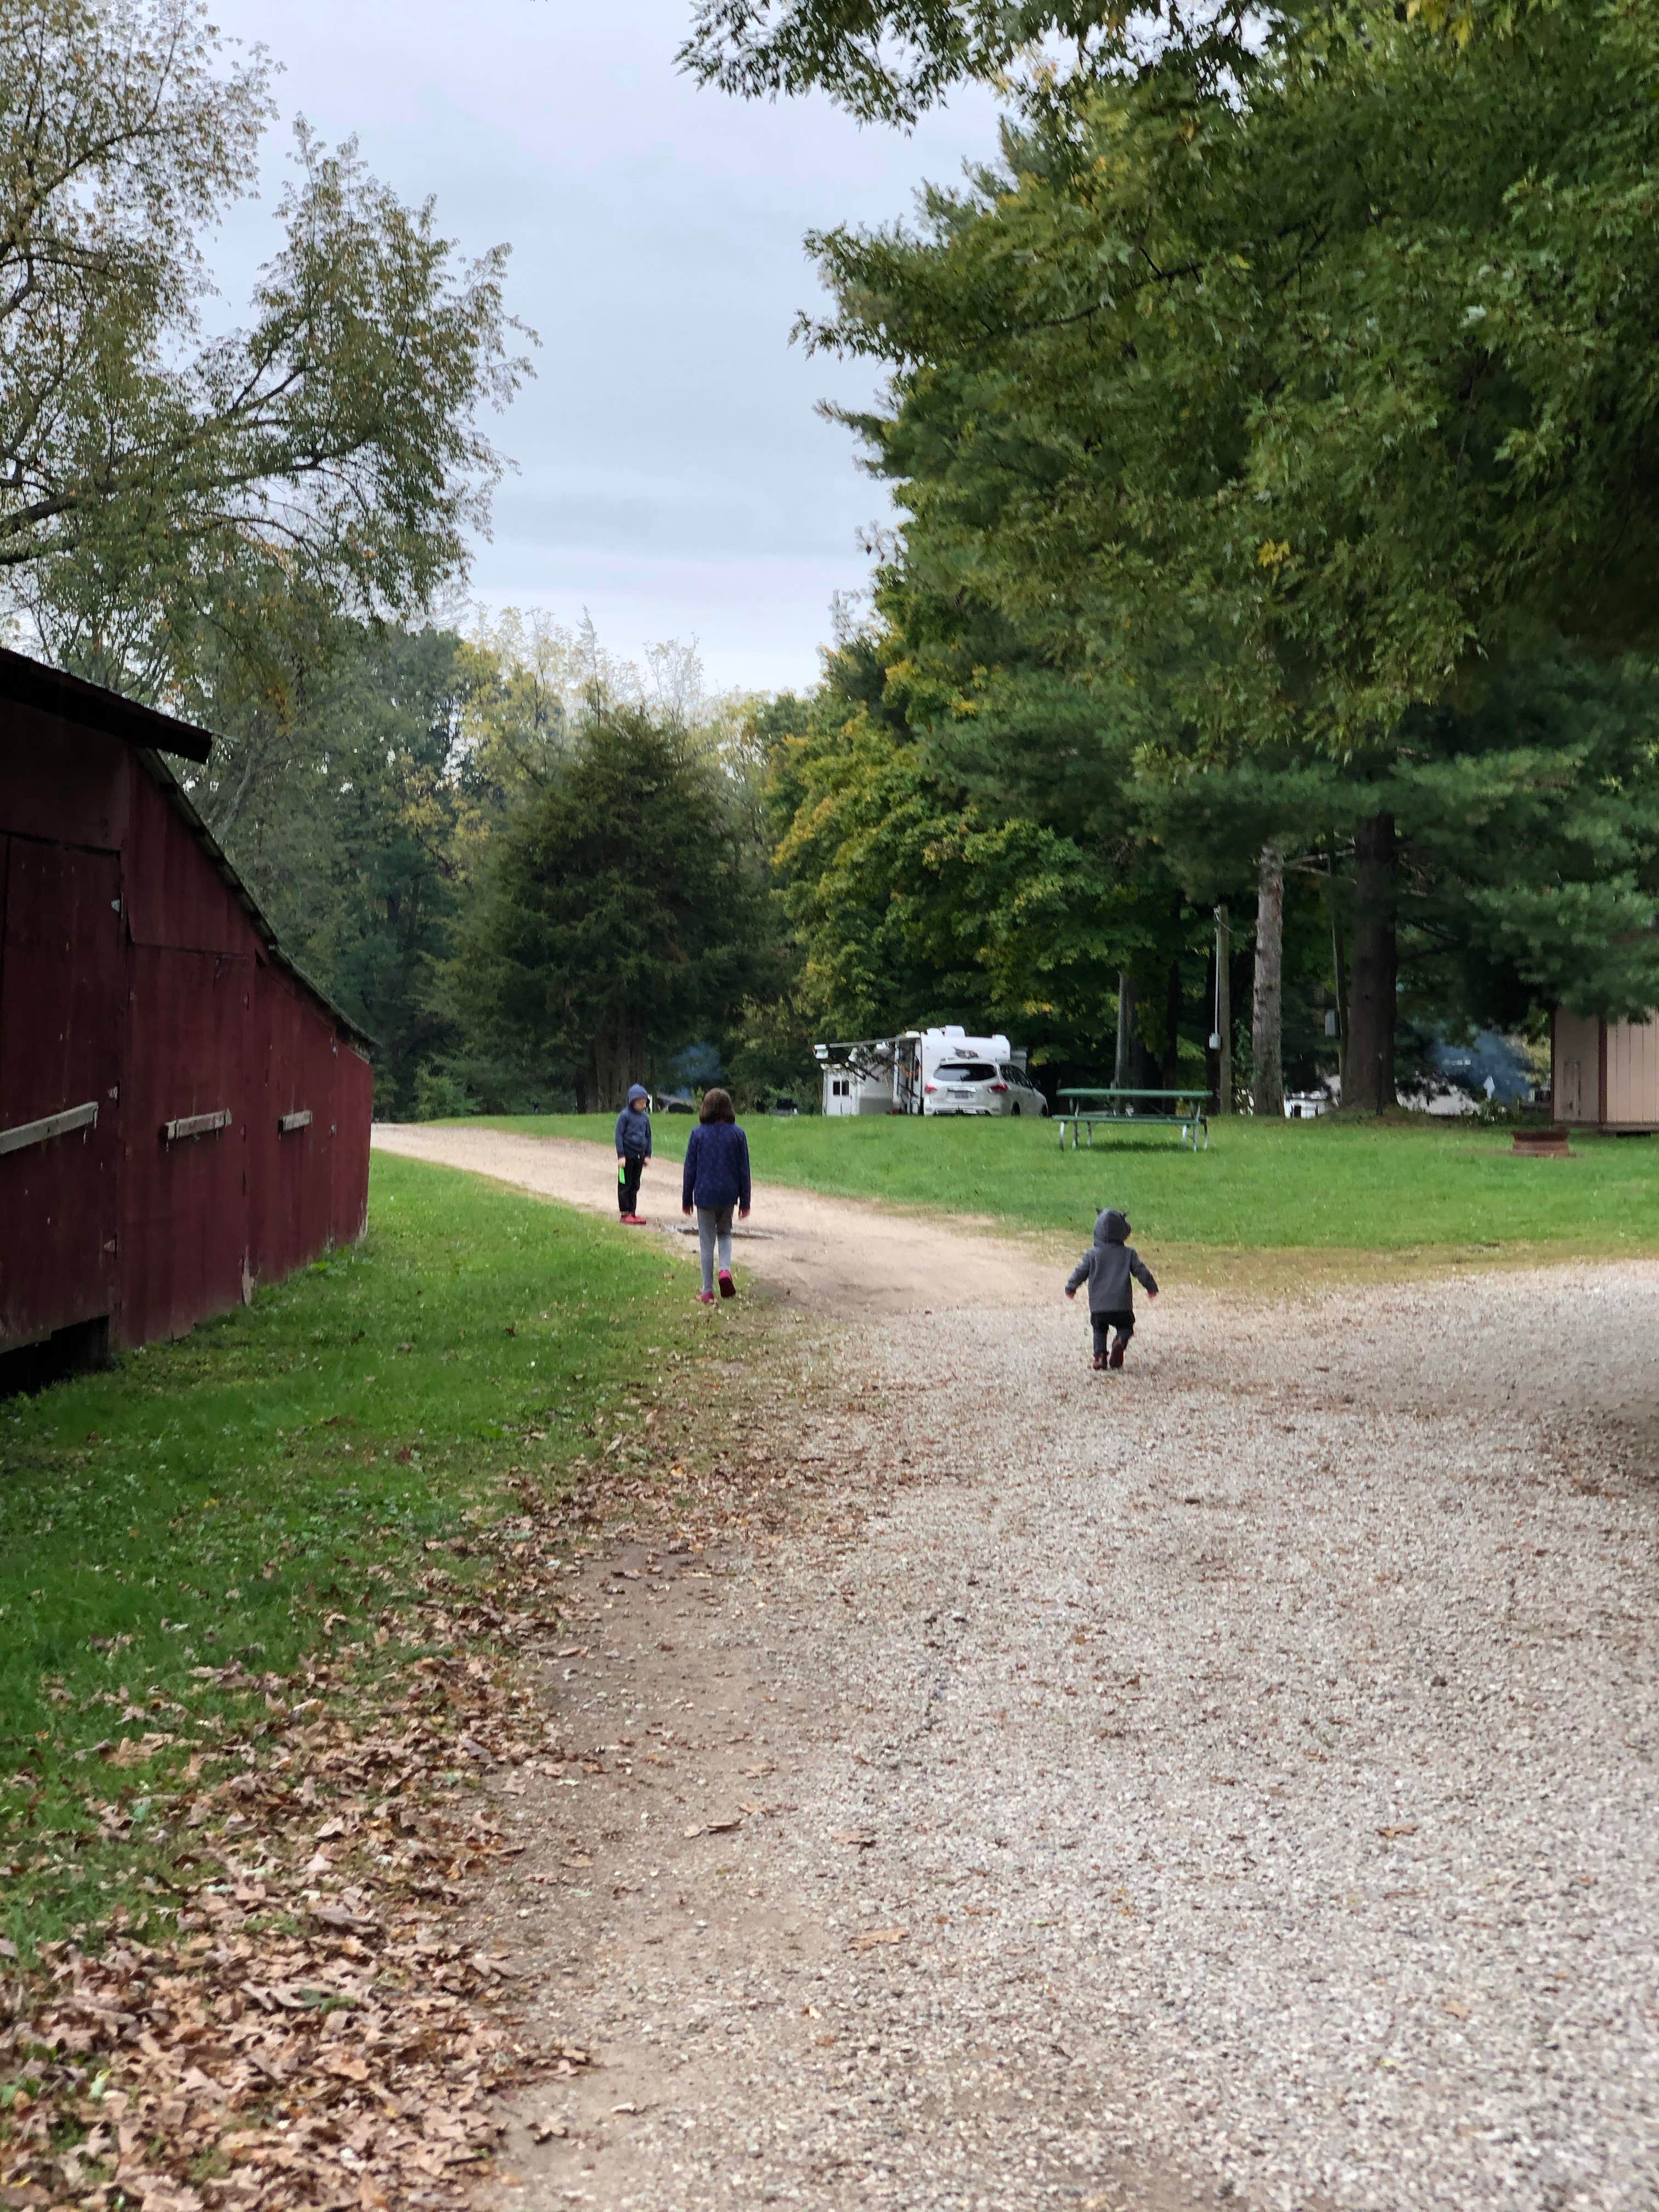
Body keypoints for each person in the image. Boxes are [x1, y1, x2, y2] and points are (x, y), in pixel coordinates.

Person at [1065, 1206, 1158, 1370]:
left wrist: (1071, 1287)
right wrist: (1151, 1287)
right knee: (1126, 1327)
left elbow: (1080, 1272)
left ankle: (1100, 1357)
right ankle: (1120, 1341)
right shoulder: (1128, 1254)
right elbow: (1141, 1271)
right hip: (1122, 1305)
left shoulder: (1092, 1255)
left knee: (1099, 1330)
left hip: (1099, 1306)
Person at [681, 1087, 751, 1303]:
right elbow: (744, 1170)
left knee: (707, 1241)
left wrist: (687, 1198)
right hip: (729, 1195)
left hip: (704, 1195)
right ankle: (725, 1270)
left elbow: (690, 1169)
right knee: (725, 1233)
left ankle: (707, 1291)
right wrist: (745, 1201)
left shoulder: (697, 1134)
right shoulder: (738, 1134)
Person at [613, 1084, 653, 1224]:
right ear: (632, 1102)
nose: (644, 1106)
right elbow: (618, 1135)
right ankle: (625, 1213)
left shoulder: (645, 1118)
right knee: (625, 1184)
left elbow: (648, 1136)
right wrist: (621, 1155)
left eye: (645, 1103)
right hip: (627, 1158)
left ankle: (633, 1212)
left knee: (635, 1185)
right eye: (640, 1103)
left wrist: (647, 1155)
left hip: (639, 1157)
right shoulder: (624, 1116)